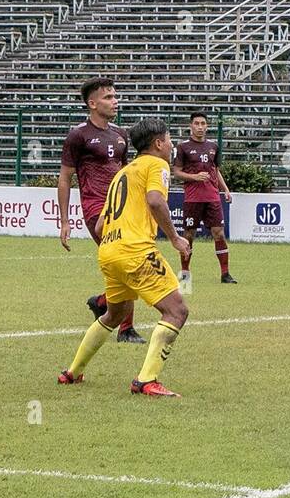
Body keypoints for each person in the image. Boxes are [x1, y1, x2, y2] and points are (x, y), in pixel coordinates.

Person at [58, 118, 191, 397]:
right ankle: (146, 380)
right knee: (177, 310)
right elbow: (156, 201)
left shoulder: (122, 173)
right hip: (135, 250)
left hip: (109, 251)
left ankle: (72, 371)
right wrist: (176, 239)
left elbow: (98, 227)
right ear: (158, 143)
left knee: (114, 313)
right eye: (169, 139)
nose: (172, 145)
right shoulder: (157, 165)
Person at [58, 77, 143, 343]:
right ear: (92, 103)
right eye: (108, 97)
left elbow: (125, 173)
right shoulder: (78, 135)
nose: (115, 101)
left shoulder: (120, 134)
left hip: (121, 207)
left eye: (115, 96)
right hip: (96, 208)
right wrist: (64, 221)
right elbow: (64, 178)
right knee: (127, 261)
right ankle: (125, 328)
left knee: (127, 263)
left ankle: (103, 302)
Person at [171, 112, 236, 285]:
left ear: (207, 126)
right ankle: (185, 275)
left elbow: (215, 170)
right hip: (193, 199)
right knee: (189, 235)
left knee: (219, 233)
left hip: (212, 197)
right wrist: (194, 177)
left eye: (203, 123)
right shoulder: (183, 147)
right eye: (197, 123)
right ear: (191, 126)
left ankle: (225, 274)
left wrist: (226, 190)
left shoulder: (213, 146)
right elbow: (176, 172)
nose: (200, 127)